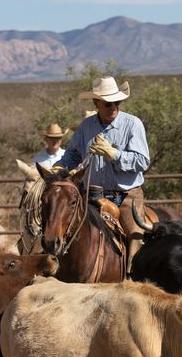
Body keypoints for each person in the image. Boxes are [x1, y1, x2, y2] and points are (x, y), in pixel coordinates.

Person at [51, 76, 150, 271]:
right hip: (92, 195)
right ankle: (56, 270)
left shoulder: (132, 124)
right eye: (108, 103)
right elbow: (73, 154)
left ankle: (133, 277)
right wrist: (59, 168)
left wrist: (114, 155)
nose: (113, 106)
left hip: (126, 196)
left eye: (117, 102)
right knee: (58, 225)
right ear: (96, 103)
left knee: (135, 236)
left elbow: (142, 161)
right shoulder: (86, 126)